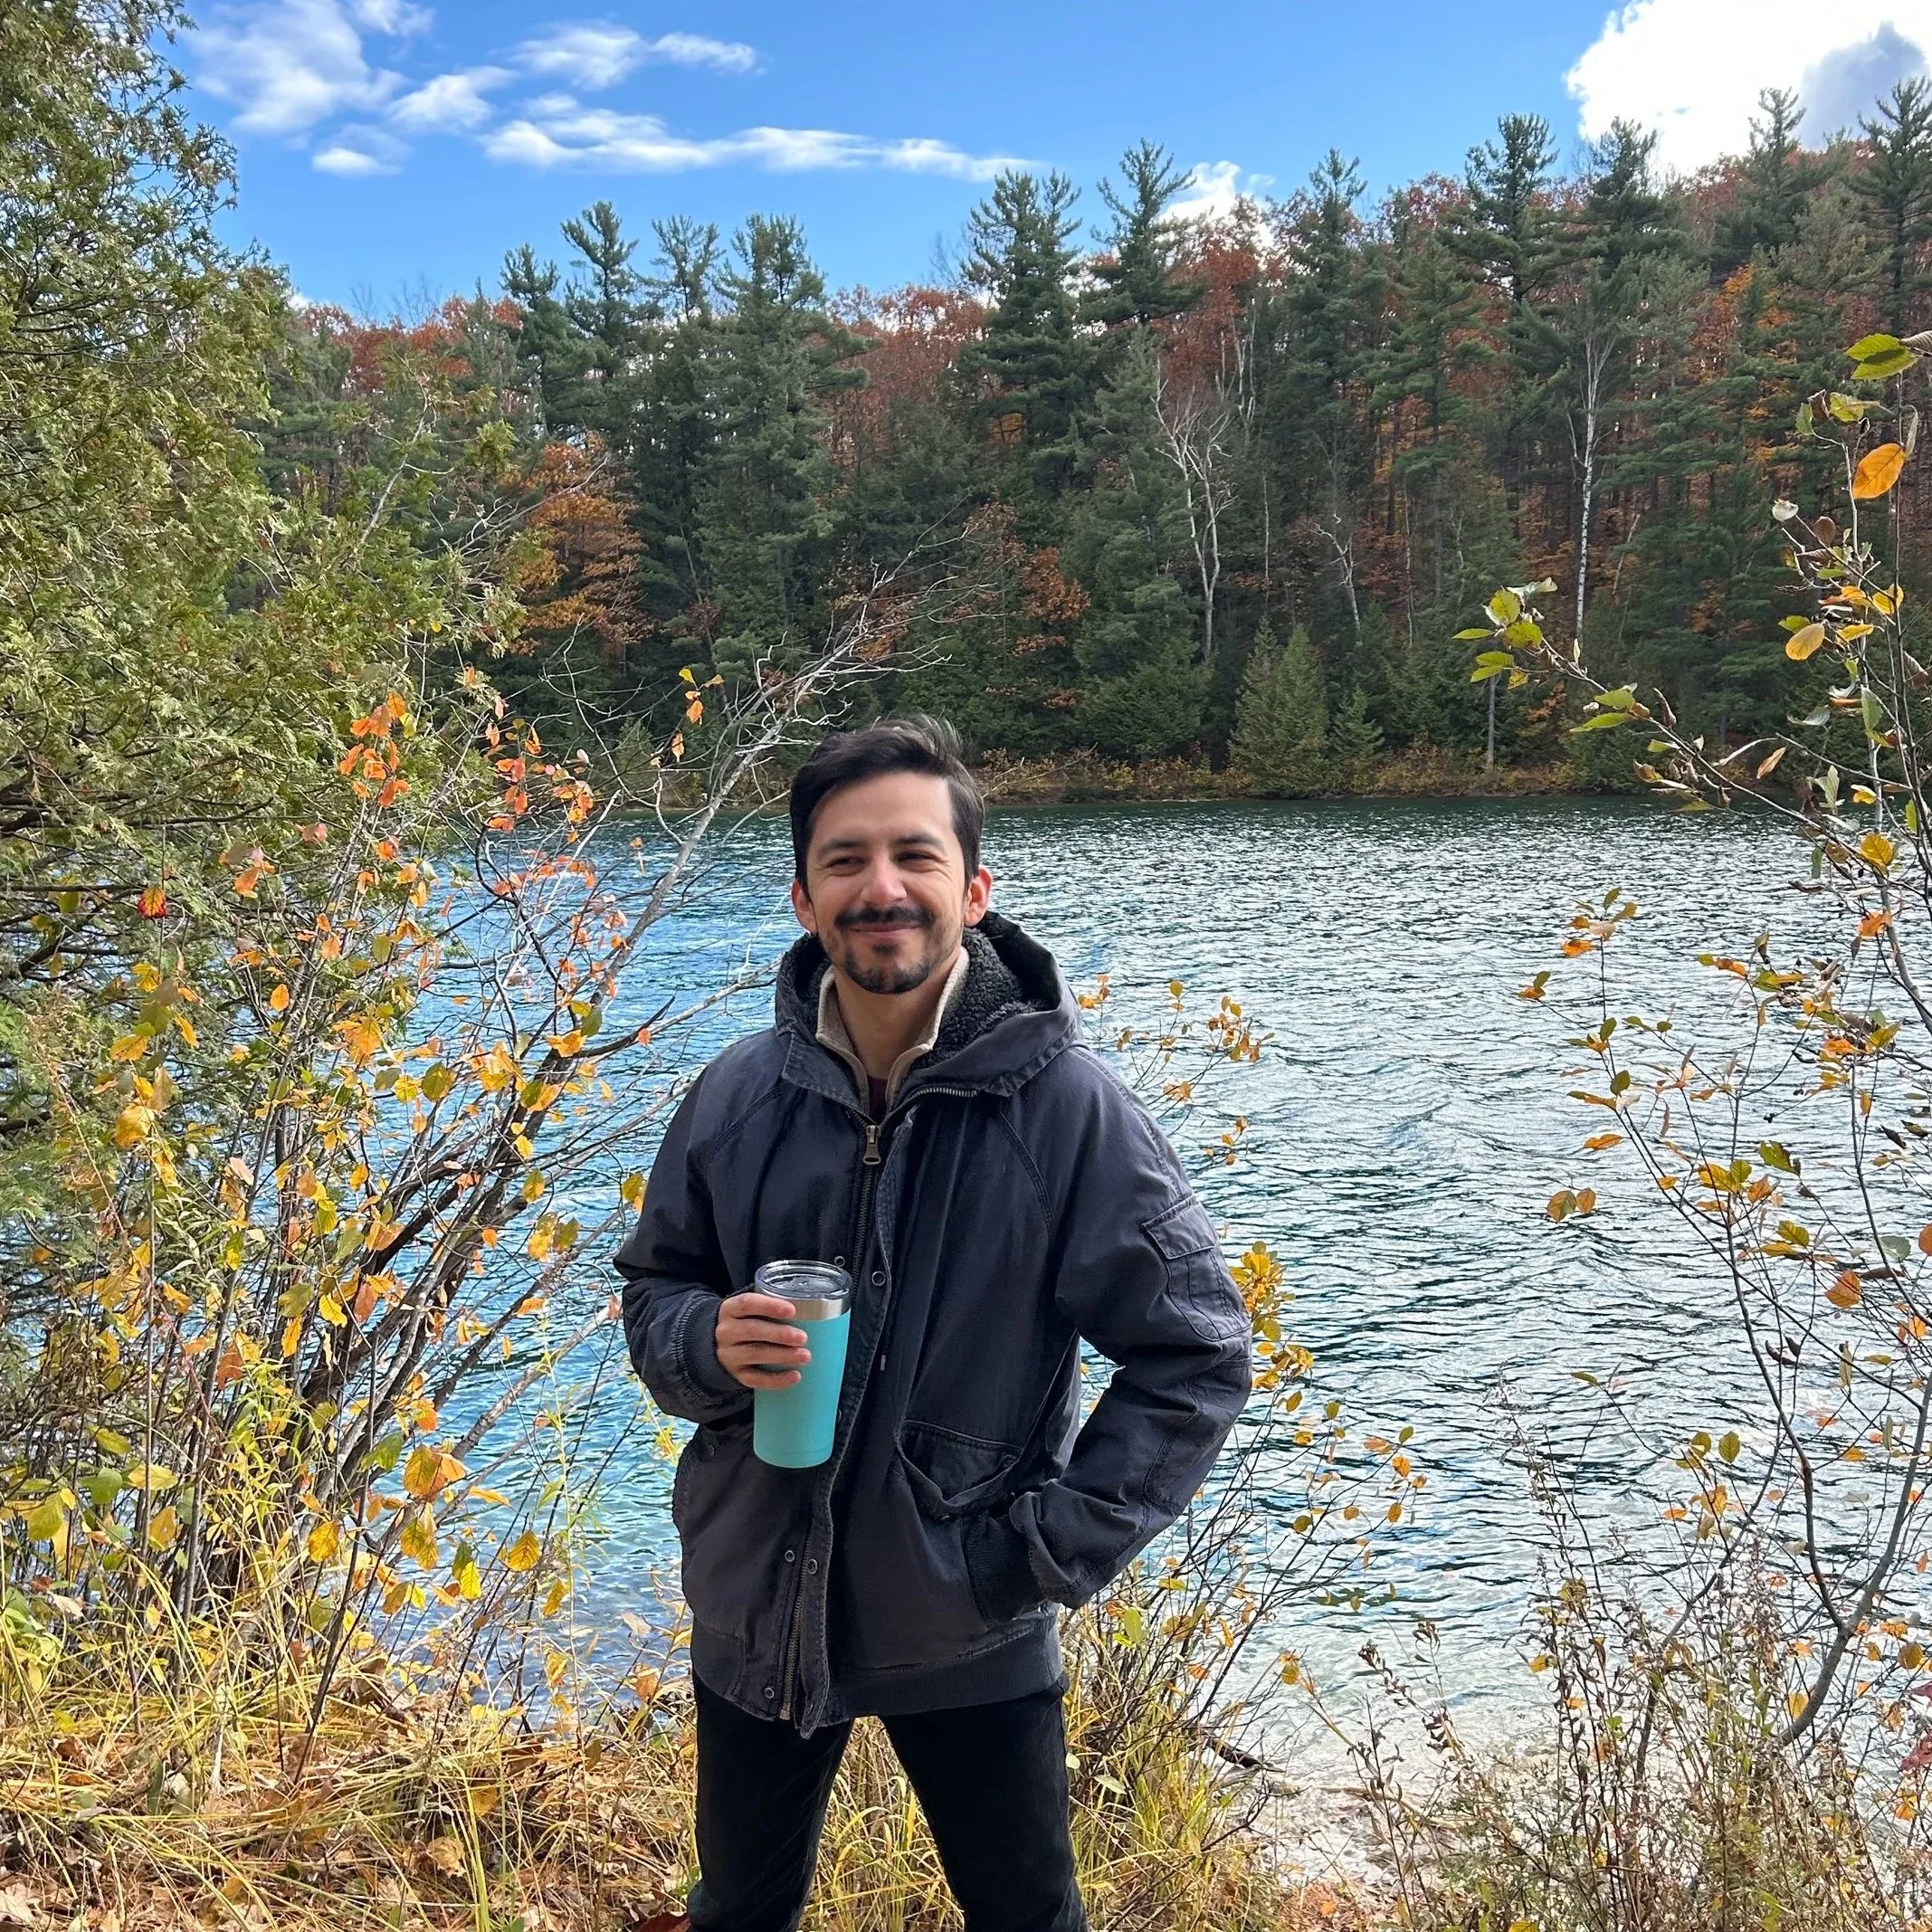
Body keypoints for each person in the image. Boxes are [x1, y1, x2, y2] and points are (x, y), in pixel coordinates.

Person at [616, 716, 1251, 1932]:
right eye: (846, 860)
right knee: (737, 1913)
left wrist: (1036, 1553)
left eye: (913, 853)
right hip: (755, 1589)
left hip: (966, 1605)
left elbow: (1194, 1351)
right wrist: (708, 1343)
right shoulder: (737, 1095)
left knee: (1026, 1917)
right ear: (804, 896)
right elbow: (656, 1288)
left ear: (973, 884)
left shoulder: (1064, 1107)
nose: (881, 887)